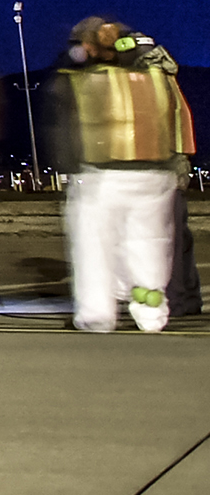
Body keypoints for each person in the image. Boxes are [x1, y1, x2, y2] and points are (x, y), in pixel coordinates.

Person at [47, 17, 195, 334]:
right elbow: (176, 114)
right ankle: (152, 316)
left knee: (95, 248)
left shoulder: (83, 76)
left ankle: (97, 316)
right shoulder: (156, 71)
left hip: (102, 176)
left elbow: (62, 118)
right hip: (154, 175)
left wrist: (66, 167)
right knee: (149, 248)